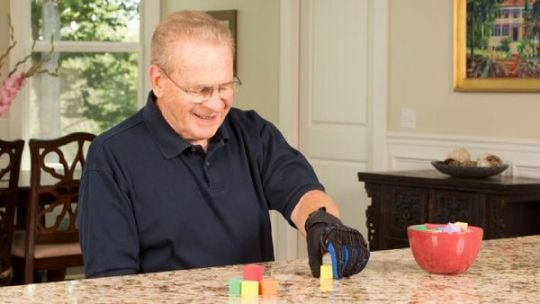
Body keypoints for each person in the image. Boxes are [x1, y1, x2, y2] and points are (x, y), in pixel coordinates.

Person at [78, 10, 369, 279]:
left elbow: (302, 192)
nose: (216, 103)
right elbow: (111, 282)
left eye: (225, 86)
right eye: (201, 89)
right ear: (158, 80)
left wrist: (322, 223)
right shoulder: (112, 155)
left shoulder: (253, 132)